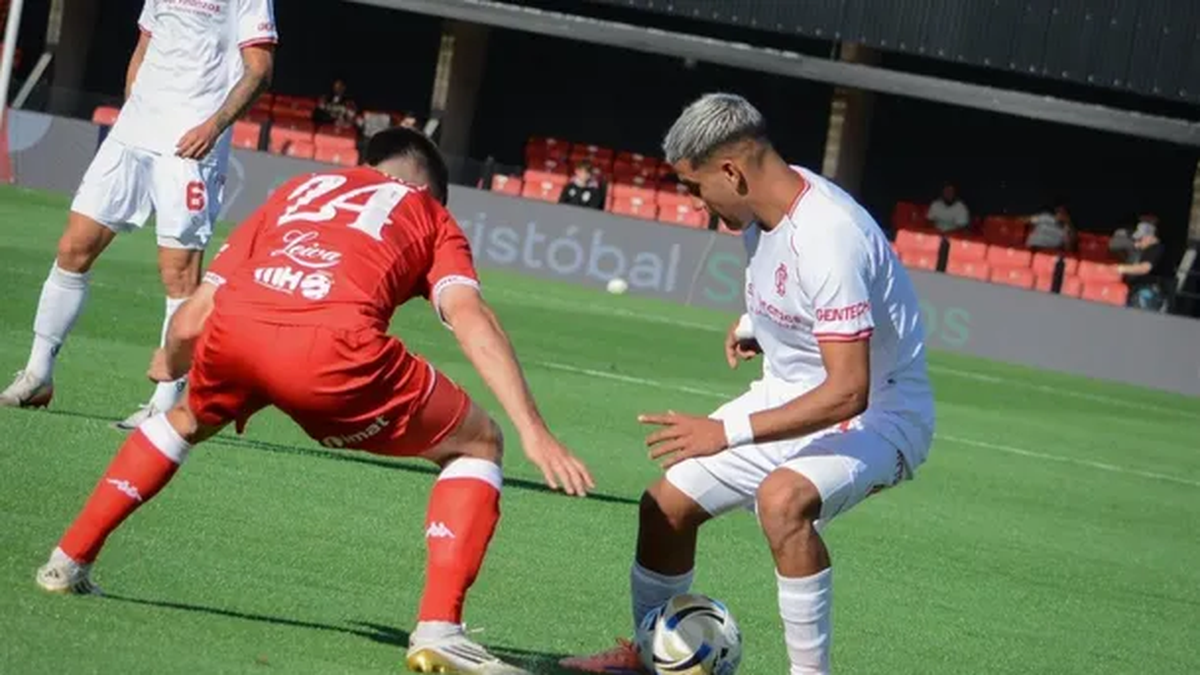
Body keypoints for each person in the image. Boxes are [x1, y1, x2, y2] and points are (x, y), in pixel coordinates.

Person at [34, 128, 595, 675]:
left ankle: (68, 560)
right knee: (479, 443)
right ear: (428, 189)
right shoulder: (429, 214)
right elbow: (470, 318)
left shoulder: (297, 190)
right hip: (335, 352)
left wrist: (173, 362)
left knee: (185, 419)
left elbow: (192, 318)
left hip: (238, 332)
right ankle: (439, 630)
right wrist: (534, 430)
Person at [560, 94, 935, 675]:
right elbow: (797, 293)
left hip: (878, 417)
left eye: (695, 187)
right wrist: (754, 326)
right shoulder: (763, 209)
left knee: (782, 502)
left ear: (732, 172)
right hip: (793, 396)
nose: (697, 204)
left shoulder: (829, 235)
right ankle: (653, 649)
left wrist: (726, 432)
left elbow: (848, 391)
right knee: (665, 507)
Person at [0, 0, 277, 431]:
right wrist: (133, 107)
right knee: (74, 247)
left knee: (179, 274)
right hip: (133, 134)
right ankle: (38, 375)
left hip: (191, 144)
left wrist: (213, 126)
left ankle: (166, 404)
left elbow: (259, 70)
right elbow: (145, 42)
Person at [1116, 218, 1167, 310]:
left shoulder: (1156, 249)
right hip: (1141, 291)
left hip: (1150, 294)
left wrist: (1119, 268)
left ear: (1150, 237)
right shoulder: (1147, 249)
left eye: (1140, 239)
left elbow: (1145, 268)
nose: (1137, 242)